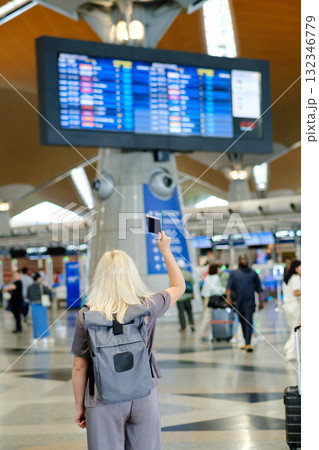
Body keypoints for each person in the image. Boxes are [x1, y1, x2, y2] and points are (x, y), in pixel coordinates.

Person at [71, 231, 185, 450]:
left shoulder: (87, 314)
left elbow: (79, 367)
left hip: (102, 399)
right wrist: (165, 250)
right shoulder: (148, 306)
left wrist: (79, 406)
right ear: (131, 275)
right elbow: (179, 286)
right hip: (144, 394)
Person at [226, 255, 263, 352]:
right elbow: (229, 287)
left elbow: (259, 289)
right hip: (238, 303)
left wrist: (261, 301)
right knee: (242, 322)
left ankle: (248, 343)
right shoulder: (234, 274)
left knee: (249, 322)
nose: (244, 260)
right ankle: (246, 342)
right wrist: (228, 298)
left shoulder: (253, 273)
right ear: (239, 260)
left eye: (246, 258)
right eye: (242, 259)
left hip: (250, 302)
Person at [199, 264, 225, 341]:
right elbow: (214, 288)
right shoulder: (216, 277)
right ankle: (203, 333)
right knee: (208, 317)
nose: (219, 270)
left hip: (206, 298)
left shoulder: (208, 277)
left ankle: (205, 333)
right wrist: (223, 290)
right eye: (218, 268)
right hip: (211, 299)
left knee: (207, 316)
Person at [282, 260, 301, 360]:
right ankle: (290, 353)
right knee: (297, 330)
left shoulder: (287, 278)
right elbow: (296, 292)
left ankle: (288, 346)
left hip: (287, 306)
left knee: (292, 329)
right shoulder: (296, 278)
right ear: (296, 268)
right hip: (295, 306)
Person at [27, 273, 52, 342]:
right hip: (41, 305)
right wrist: (47, 286)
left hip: (33, 305)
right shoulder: (42, 286)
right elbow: (49, 293)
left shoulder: (30, 287)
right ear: (39, 278)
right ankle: (46, 336)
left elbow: (28, 296)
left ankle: (37, 337)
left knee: (35, 321)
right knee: (43, 321)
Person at [176, 262, 195, 332]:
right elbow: (192, 284)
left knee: (181, 312)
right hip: (188, 296)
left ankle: (183, 327)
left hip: (180, 297)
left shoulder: (176, 274)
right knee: (189, 311)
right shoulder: (188, 273)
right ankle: (191, 324)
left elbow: (172, 285)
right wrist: (193, 294)